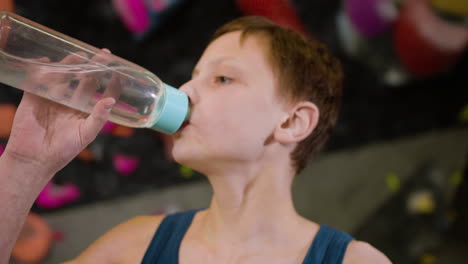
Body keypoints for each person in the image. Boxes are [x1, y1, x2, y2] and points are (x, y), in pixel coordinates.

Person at [0, 16, 392, 263]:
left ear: (292, 121)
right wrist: (24, 166)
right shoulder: (132, 247)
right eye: (193, 76)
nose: (185, 89)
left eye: (222, 78)